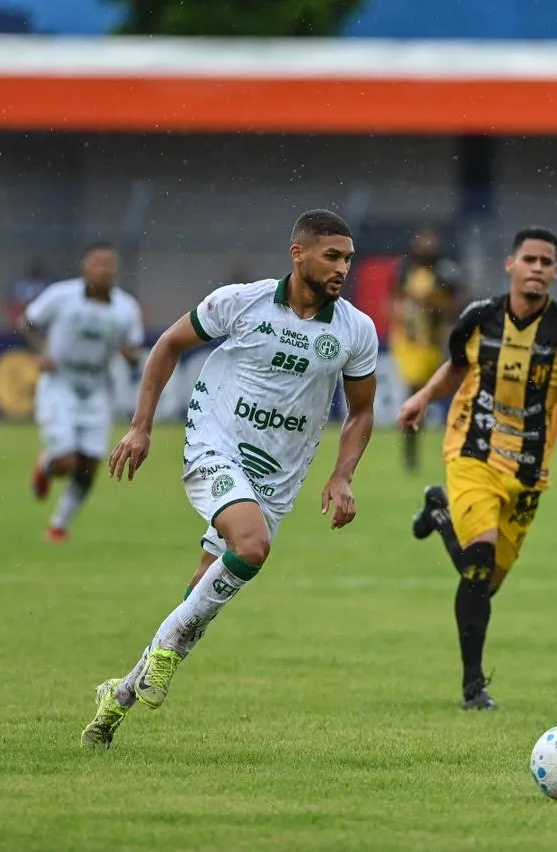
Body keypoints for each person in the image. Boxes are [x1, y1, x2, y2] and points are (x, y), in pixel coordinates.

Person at [81, 210, 378, 749]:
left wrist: (342, 475)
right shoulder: (241, 302)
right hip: (214, 444)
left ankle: (119, 695)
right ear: (298, 254)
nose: (342, 268)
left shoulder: (356, 330)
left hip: (280, 474)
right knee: (252, 545)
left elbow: (360, 411)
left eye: (348, 259)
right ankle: (165, 647)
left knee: (204, 591)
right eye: (332, 256)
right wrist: (141, 428)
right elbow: (168, 345)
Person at [396, 227, 557, 710]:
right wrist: (422, 397)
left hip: (528, 471)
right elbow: (455, 365)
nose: (537, 268)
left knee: (484, 583)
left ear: (556, 271)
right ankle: (474, 687)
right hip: (472, 450)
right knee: (477, 563)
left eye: (546, 262)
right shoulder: (479, 317)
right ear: (510, 264)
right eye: (529, 259)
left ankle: (439, 514)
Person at [22, 242, 145, 542]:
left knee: (88, 466)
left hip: (96, 387)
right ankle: (47, 464)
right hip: (60, 383)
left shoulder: (126, 307)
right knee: (66, 462)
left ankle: (58, 526)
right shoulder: (61, 296)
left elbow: (134, 349)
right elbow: (27, 322)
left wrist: (126, 353)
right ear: (84, 267)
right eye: (96, 263)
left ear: (115, 270)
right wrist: (41, 352)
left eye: (108, 264)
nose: (103, 269)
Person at [388, 227, 466, 471]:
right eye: (422, 241)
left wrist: (433, 304)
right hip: (410, 344)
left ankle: (456, 444)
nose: (426, 246)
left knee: (446, 392)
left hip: (436, 343)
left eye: (430, 241)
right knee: (415, 392)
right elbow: (395, 300)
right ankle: (411, 452)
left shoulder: (446, 271)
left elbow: (457, 303)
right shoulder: (405, 269)